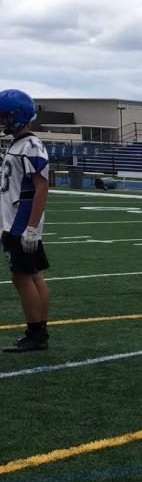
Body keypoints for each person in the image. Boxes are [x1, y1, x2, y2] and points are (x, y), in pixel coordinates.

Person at [0, 90, 52, 353]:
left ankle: (35, 333)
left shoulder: (30, 145)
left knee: (22, 278)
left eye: (5, 117)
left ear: (17, 116)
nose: (2, 122)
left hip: (20, 223)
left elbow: (41, 188)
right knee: (33, 276)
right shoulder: (20, 144)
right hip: (17, 221)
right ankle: (39, 331)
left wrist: (30, 227)